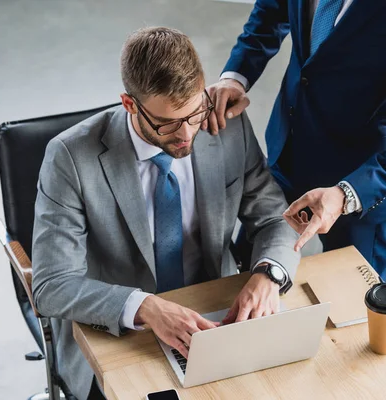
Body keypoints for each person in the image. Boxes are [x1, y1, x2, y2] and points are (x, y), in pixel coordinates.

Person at [31, 27, 300, 400]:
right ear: (129, 104)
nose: (188, 134)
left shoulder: (226, 124)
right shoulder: (70, 158)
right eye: (168, 124)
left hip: (215, 316)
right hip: (121, 333)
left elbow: (274, 218)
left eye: (194, 114)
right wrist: (143, 307)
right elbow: (51, 285)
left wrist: (270, 273)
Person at [205, 0, 386, 280]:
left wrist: (346, 194)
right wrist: (235, 77)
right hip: (288, 150)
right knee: (241, 278)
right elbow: (272, 9)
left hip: (359, 184)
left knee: (350, 308)